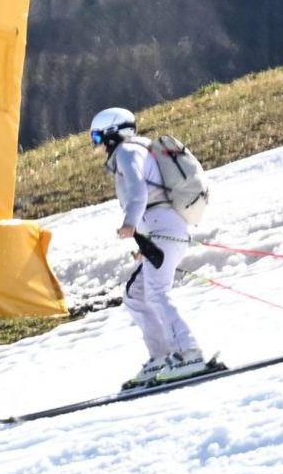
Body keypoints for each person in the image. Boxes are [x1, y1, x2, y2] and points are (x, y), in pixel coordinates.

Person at [90, 107, 212, 388]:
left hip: (162, 227)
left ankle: (188, 354)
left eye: (98, 138)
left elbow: (138, 191)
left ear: (112, 134)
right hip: (162, 229)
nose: (96, 146)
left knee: (155, 292)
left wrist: (130, 223)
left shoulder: (127, 152)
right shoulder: (142, 150)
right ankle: (162, 357)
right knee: (136, 294)